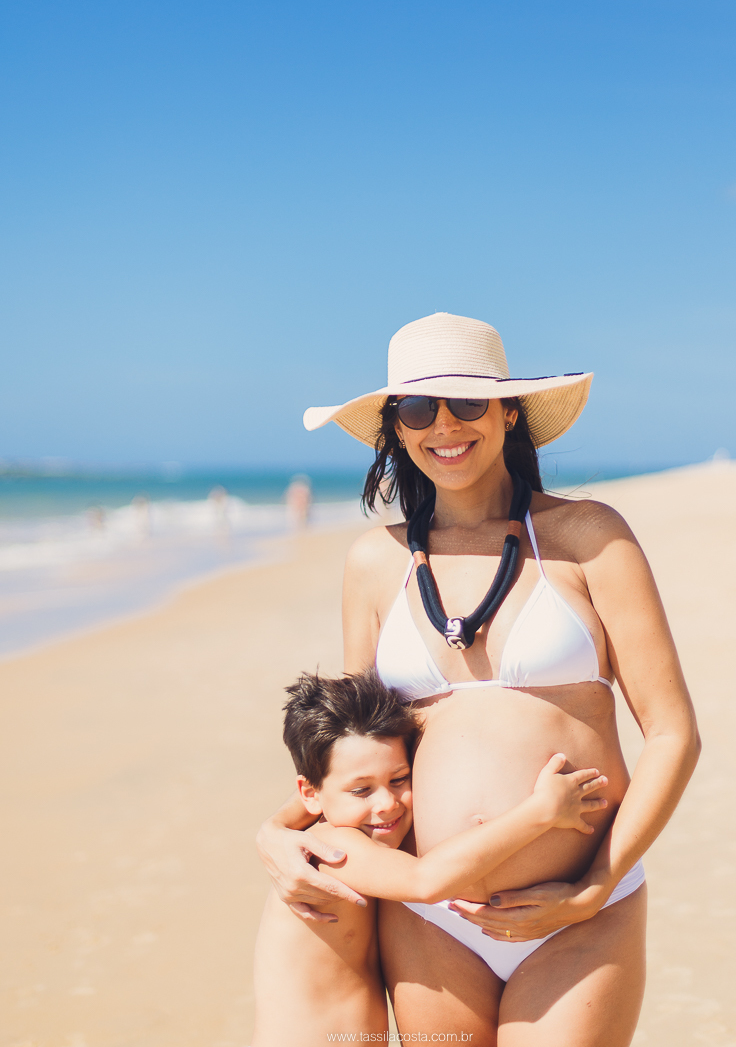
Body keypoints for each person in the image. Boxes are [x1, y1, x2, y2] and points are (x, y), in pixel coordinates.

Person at [258, 312, 701, 1046]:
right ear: (396, 428)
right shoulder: (376, 562)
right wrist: (278, 830)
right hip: (431, 920)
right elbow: (355, 747)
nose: (444, 425)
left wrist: (592, 887)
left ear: (507, 411)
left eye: (467, 402)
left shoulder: (590, 537)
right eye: (418, 408)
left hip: (582, 911)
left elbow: (673, 732)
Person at [251, 668, 609, 1046]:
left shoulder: (361, 842)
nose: (386, 804)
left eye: (399, 779)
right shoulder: (329, 849)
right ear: (309, 794)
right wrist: (540, 811)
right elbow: (425, 881)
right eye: (361, 791)